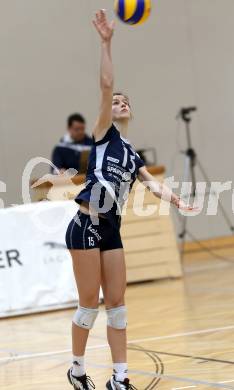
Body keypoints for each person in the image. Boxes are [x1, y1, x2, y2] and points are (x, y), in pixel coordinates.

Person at [65, 9, 196, 390]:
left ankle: (119, 379)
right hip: (86, 223)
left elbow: (152, 185)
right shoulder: (103, 133)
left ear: (131, 111)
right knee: (89, 305)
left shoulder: (132, 152)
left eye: (125, 101)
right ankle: (76, 370)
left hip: (112, 228)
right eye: (116, 101)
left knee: (118, 307)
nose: (120, 101)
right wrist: (106, 43)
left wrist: (176, 200)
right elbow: (106, 85)